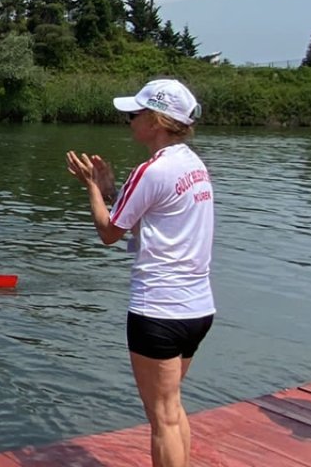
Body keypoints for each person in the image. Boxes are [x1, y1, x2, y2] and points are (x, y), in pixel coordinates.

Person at [65, 78, 214, 467]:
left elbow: (109, 232)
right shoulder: (195, 166)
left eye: (135, 113)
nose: (129, 120)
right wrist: (114, 191)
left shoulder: (152, 170)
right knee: (172, 408)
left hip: (159, 311)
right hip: (198, 309)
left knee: (161, 418)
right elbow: (144, 218)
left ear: (157, 121)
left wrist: (93, 188)